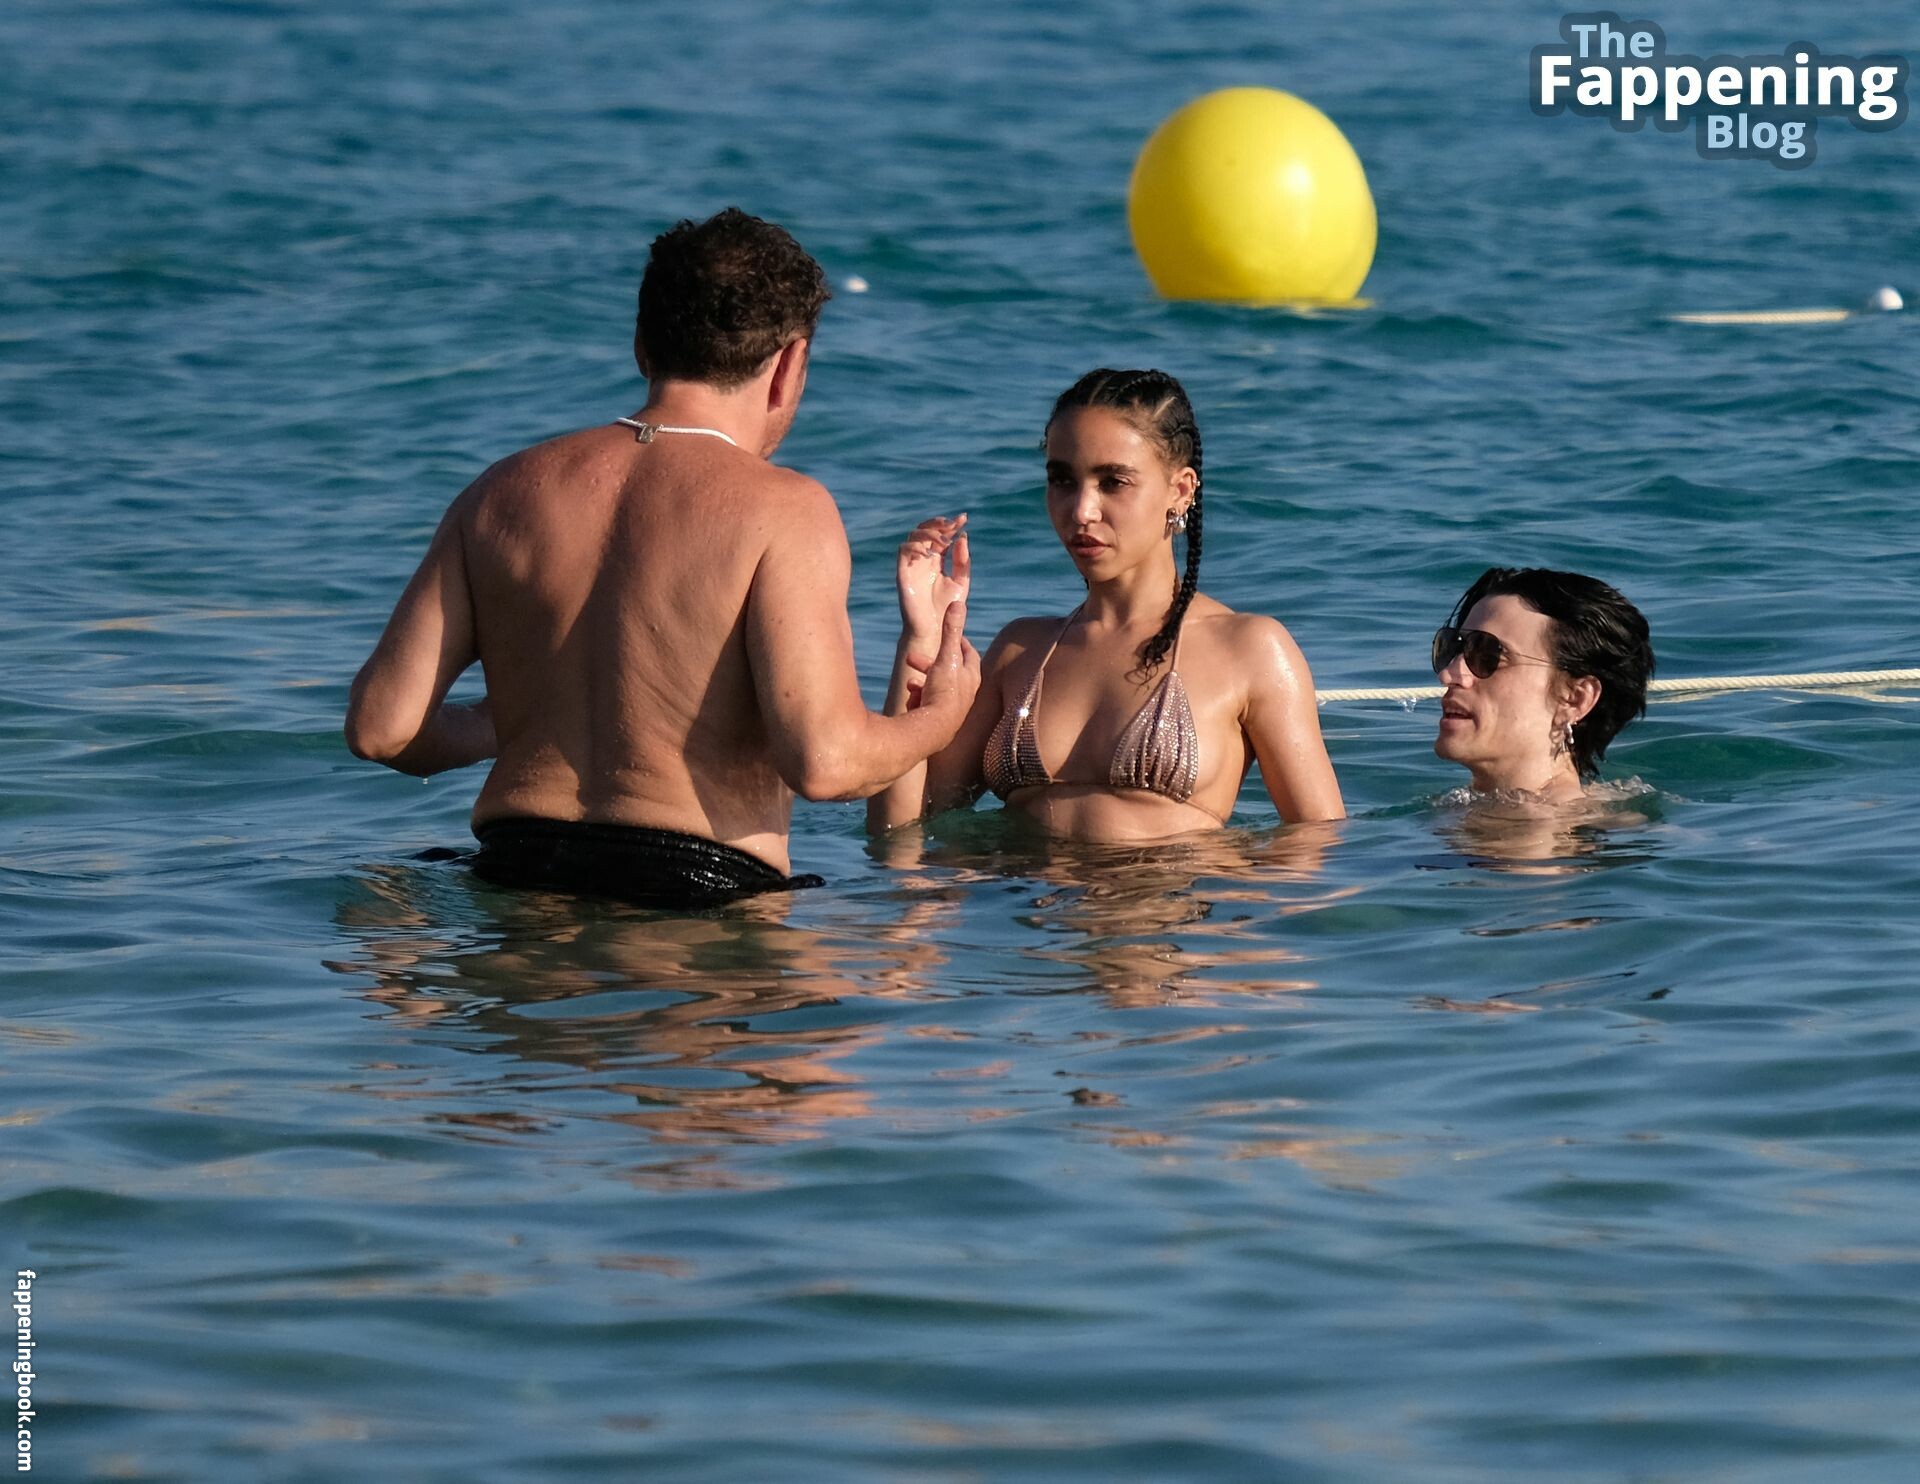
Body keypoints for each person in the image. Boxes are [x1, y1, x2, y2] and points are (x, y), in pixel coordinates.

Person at [344, 208, 980, 909]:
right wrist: (941, 717)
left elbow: (380, 730)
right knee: (907, 958)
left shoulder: (499, 492)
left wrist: (513, 719)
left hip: (514, 871)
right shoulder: (785, 508)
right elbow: (824, 765)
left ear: (642, 345)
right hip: (693, 895)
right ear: (789, 364)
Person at [867, 368, 1344, 842]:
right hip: (1016, 889)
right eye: (1062, 480)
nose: (1081, 510)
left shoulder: (1250, 650)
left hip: (1168, 889)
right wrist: (921, 635)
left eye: (1113, 482)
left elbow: (1318, 845)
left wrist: (1225, 881)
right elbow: (901, 831)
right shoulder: (1021, 651)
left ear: (1180, 491)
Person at [1431, 566, 1654, 801]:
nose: (1449, 674)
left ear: (1574, 699)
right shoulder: (1479, 809)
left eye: (1489, 655)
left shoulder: (1543, 821)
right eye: (1453, 647)